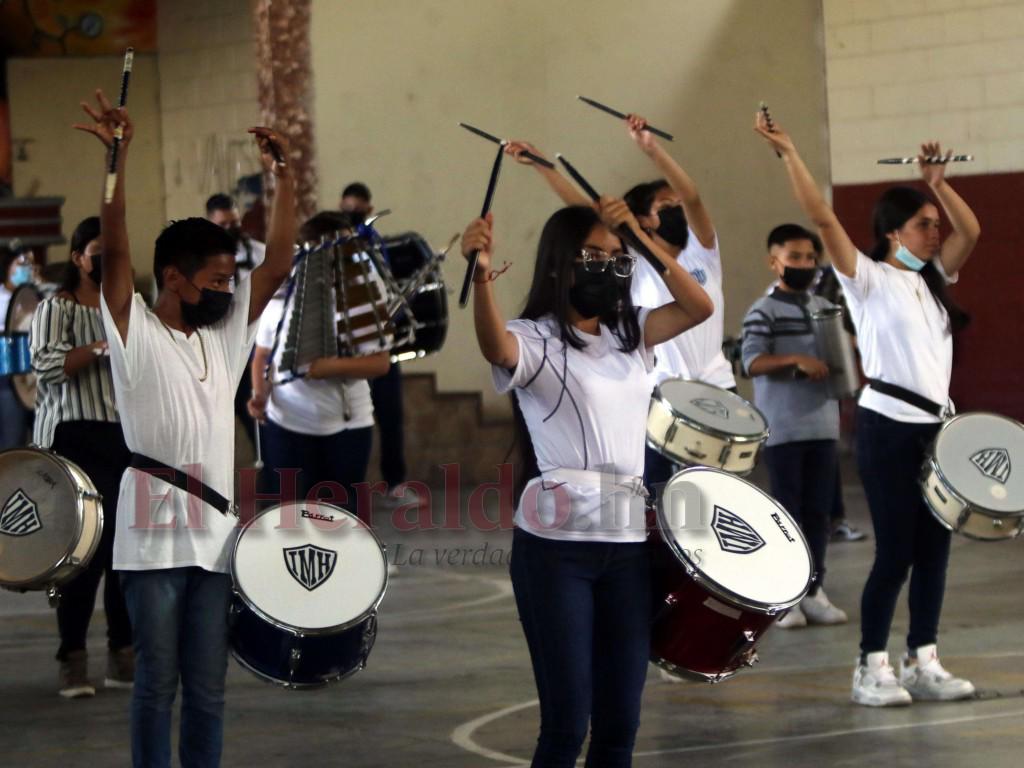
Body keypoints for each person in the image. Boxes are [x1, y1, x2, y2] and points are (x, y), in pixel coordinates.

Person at [74, 88, 295, 764]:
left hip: (215, 538)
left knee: (208, 690)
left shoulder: (224, 336)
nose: (228, 291)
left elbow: (278, 264)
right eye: (216, 280)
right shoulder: (135, 328)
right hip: (151, 543)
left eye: (231, 281)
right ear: (173, 277)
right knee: (156, 684)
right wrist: (117, 161)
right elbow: (116, 252)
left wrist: (284, 179)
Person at [462, 196, 712, 766]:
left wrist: (641, 241)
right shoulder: (535, 337)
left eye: (617, 257)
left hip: (627, 549)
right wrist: (481, 280)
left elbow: (698, 306)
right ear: (560, 262)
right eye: (594, 255)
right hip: (557, 553)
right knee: (567, 724)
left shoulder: (632, 335)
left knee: (620, 725)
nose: (609, 267)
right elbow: (494, 344)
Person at [755, 112, 980, 707]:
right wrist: (789, 152)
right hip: (887, 428)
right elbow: (822, 216)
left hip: (934, 430)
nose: (935, 232)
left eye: (934, 224)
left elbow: (972, 229)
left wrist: (937, 183)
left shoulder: (933, 279)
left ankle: (923, 660)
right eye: (923, 224)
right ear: (892, 232)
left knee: (934, 551)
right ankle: (869, 666)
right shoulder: (869, 278)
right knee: (896, 551)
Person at [504, 114, 734, 496]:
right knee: (665, 496)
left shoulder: (702, 252)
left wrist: (652, 148)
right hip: (664, 396)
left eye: (677, 203)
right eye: (666, 204)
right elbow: (587, 218)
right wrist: (546, 168)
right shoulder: (630, 260)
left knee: (719, 496)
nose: (677, 208)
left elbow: (693, 197)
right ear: (641, 219)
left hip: (717, 389)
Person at [30, 216, 134, 698]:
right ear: (77, 258)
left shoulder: (130, 308)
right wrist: (98, 347)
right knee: (84, 551)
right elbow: (47, 367)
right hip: (74, 435)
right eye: (97, 251)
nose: (107, 259)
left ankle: (123, 650)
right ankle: (72, 656)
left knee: (124, 551)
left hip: (123, 435)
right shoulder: (58, 307)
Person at [248, 210, 389, 522]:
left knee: (342, 520)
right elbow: (263, 354)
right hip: (287, 423)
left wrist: (331, 367)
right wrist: (260, 394)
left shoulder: (363, 292)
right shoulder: (282, 293)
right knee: (287, 519)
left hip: (346, 426)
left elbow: (380, 363)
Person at [741, 223, 848, 629]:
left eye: (810, 258)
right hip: (784, 429)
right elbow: (751, 361)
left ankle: (814, 589)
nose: (804, 265)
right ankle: (784, 594)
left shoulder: (824, 308)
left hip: (824, 426)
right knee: (787, 515)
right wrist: (793, 360)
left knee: (819, 514)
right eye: (794, 258)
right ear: (774, 262)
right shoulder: (763, 311)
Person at [339, 181, 406, 495]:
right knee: (350, 421)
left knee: (390, 415)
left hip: (379, 344)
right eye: (346, 210)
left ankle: (395, 482)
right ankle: (346, 488)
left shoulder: (375, 244)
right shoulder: (334, 247)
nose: (351, 215)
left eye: (357, 210)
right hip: (349, 350)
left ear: (369, 209)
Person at [206, 193, 266, 450]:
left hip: (255, 345)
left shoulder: (260, 253)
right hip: (218, 349)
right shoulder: (201, 259)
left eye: (234, 222)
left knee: (257, 422)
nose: (230, 228)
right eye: (223, 224)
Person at [1, 247, 34, 448]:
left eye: (30, 264)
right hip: (7, 378)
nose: (27, 269)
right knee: (11, 441)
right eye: (21, 264)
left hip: (34, 380)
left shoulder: (35, 297)